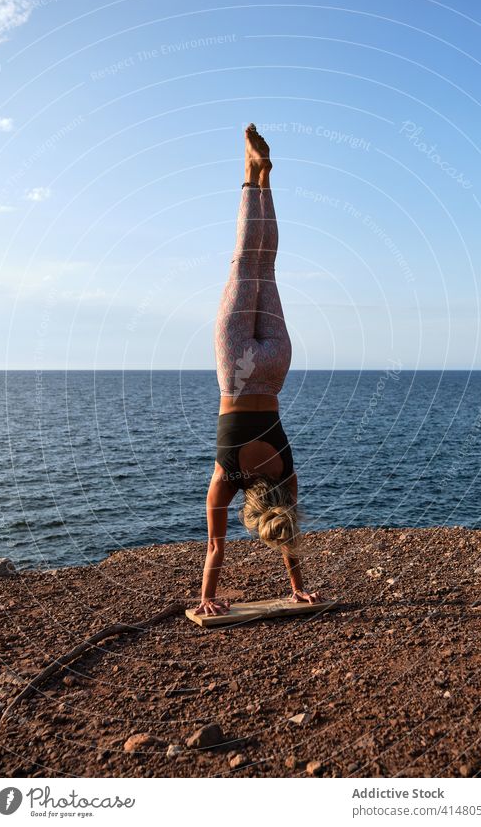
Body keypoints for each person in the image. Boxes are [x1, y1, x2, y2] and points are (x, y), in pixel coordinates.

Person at [194, 124, 322, 616]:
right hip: (235, 366)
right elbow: (215, 549)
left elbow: (288, 536)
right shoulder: (226, 477)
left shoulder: (287, 476)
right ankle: (251, 175)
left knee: (265, 265)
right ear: (250, 509)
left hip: (274, 368)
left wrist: (297, 584)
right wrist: (206, 597)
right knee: (247, 262)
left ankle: (263, 178)